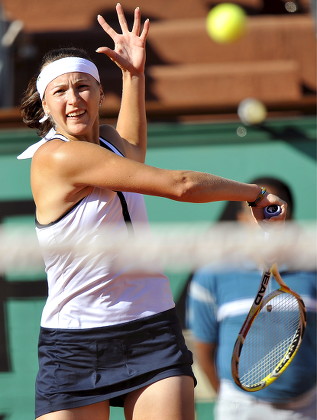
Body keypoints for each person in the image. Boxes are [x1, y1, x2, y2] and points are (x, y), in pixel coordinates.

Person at [18, 3, 286, 419]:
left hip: (151, 330)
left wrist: (134, 74)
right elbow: (178, 185)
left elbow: (134, 151)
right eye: (60, 91)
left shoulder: (106, 140)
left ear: (100, 93)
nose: (74, 99)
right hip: (74, 344)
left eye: (84, 86)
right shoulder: (55, 159)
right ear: (45, 107)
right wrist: (253, 193)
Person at [187, 176, 316, 420]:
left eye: (272, 210)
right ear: (241, 219)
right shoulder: (213, 273)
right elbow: (203, 348)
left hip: (307, 406)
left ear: (288, 218)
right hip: (240, 407)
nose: (264, 220)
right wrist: (229, 394)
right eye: (255, 211)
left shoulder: (312, 270)